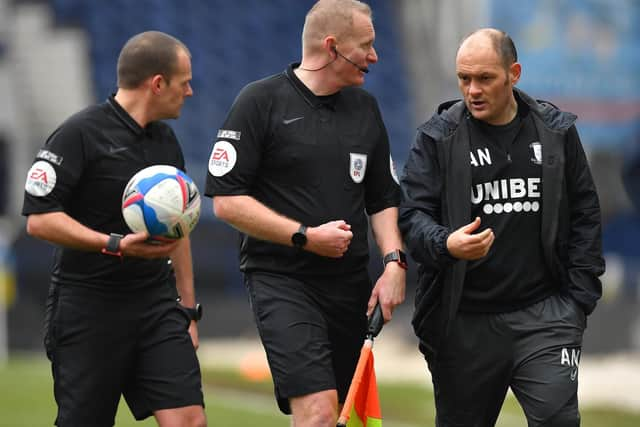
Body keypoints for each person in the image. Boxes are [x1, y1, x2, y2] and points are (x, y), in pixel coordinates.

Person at [204, 1, 405, 425]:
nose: (375, 56)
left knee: (339, 416)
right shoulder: (259, 102)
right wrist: (304, 236)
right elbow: (226, 200)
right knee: (315, 411)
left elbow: (383, 197)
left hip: (349, 285)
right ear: (333, 47)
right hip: (282, 280)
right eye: (366, 45)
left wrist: (393, 262)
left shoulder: (366, 109)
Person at [399, 28, 605, 427]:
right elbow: (410, 217)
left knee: (558, 421)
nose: (472, 90)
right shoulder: (437, 137)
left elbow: (585, 214)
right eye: (464, 79)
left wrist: (577, 302)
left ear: (514, 73)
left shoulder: (556, 132)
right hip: (464, 324)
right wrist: (447, 244)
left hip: (546, 317)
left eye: (485, 78)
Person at [22, 31, 206, 427]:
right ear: (157, 84)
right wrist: (115, 244)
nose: (190, 92)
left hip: (156, 305)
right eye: (184, 82)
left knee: (190, 420)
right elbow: (39, 219)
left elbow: (179, 230)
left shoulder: (166, 141)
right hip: (89, 305)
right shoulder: (79, 134)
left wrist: (187, 310)